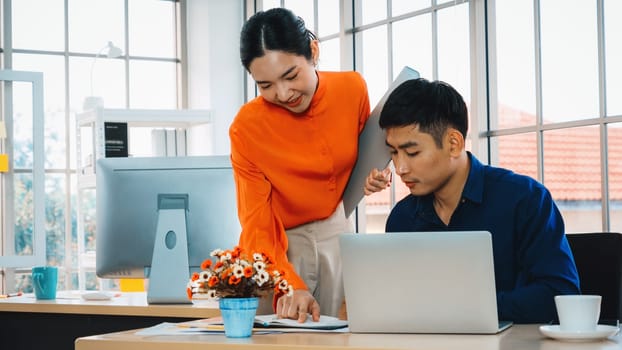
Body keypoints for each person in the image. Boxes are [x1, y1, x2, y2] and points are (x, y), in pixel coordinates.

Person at [364, 78, 580, 323]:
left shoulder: (525, 199)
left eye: (412, 153)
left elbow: (562, 296)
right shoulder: (402, 219)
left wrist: (468, 309)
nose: (400, 167)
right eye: (393, 152)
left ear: (453, 144)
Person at [229, 8, 371, 323]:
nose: (283, 93)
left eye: (291, 75)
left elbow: (365, 153)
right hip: (278, 247)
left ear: (314, 51)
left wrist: (378, 175)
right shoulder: (246, 128)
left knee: (339, 338)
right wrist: (288, 282)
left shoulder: (352, 89)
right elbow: (256, 221)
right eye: (265, 85)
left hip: (337, 235)